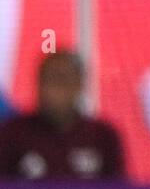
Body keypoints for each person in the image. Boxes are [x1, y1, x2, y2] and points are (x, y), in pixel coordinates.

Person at [0, 52, 125, 181]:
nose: (51, 89)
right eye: (46, 80)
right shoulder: (12, 134)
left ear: (79, 85)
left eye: (61, 80)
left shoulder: (103, 136)